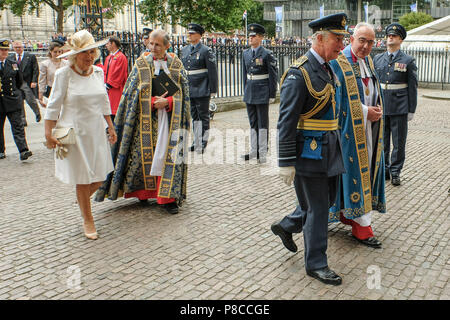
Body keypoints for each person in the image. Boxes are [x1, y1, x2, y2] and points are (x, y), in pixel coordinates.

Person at [270, 13, 347, 286]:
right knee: (317, 209)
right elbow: (286, 121)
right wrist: (285, 161)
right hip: (309, 153)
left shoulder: (327, 67)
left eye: (342, 39)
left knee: (324, 203)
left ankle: (287, 225)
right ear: (320, 38)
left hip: (329, 149)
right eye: (337, 39)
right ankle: (316, 264)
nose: (341, 44)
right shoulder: (298, 73)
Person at [94, 29, 190, 215]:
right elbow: (130, 95)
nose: (152, 47)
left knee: (166, 156)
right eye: (151, 43)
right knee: (144, 157)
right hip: (144, 121)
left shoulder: (177, 65)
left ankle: (167, 198)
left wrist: (169, 102)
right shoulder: (140, 65)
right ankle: (144, 192)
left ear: (167, 46)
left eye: (157, 45)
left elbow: (185, 96)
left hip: (170, 121)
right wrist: (151, 102)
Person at [43, 30, 117, 240]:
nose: (90, 56)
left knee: (101, 175)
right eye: (86, 52)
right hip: (73, 132)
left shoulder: (98, 72)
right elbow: (53, 106)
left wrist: (110, 126)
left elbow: (104, 101)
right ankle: (88, 219)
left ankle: (82, 198)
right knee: (83, 178)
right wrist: (48, 133)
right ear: (75, 55)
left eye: (92, 52)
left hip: (95, 130)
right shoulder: (63, 74)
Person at [328, 22, 386, 248]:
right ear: (352, 38)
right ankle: (362, 226)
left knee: (366, 171)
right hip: (348, 133)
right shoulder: (338, 62)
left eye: (371, 42)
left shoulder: (368, 61)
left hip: (368, 130)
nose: (366, 46)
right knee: (351, 174)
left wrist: (378, 109)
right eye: (362, 40)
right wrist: (365, 112)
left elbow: (372, 91)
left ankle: (351, 215)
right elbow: (337, 100)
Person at [374, 23, 418, 186]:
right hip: (382, 106)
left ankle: (395, 171)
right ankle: (384, 170)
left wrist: (411, 109)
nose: (390, 37)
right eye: (389, 36)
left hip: (399, 107)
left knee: (398, 142)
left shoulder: (408, 60)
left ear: (400, 40)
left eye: (394, 36)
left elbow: (412, 87)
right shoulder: (378, 58)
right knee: (382, 141)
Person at [241, 23, 278, 164]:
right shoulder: (245, 53)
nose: (250, 38)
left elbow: (273, 75)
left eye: (254, 36)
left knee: (262, 123)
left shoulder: (267, 54)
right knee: (253, 123)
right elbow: (244, 74)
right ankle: (253, 150)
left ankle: (262, 151)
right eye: (249, 36)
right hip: (250, 91)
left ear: (261, 38)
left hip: (262, 91)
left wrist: (272, 94)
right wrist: (245, 90)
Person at [181, 23, 218, 154]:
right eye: (189, 33)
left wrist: (213, 89)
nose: (189, 35)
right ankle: (195, 141)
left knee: (203, 116)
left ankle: (203, 142)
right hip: (189, 87)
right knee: (194, 116)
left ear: (199, 35)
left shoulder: (205, 51)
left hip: (202, 87)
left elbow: (212, 71)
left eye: (192, 33)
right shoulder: (184, 50)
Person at [0, 39, 33, 161]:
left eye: (6, 50)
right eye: (2, 50)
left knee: (18, 126)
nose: (4, 52)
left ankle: (23, 150)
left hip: (12, 100)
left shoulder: (12, 63)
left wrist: (17, 94)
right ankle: (0, 150)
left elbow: (19, 81)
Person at [10, 40, 41, 126]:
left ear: (23, 47)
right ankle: (23, 120)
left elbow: (35, 69)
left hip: (26, 82)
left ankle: (37, 112)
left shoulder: (30, 57)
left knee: (30, 100)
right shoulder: (11, 57)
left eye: (19, 47)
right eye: (16, 47)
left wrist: (34, 81)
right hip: (16, 83)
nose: (18, 49)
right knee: (19, 102)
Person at [103, 36, 128, 122]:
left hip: (116, 89)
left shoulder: (121, 57)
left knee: (116, 111)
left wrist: (108, 84)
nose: (106, 45)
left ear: (113, 44)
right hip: (108, 89)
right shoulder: (109, 58)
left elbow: (118, 74)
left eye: (108, 43)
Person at [38, 40, 70, 107]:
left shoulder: (67, 63)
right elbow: (42, 80)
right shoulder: (45, 64)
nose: (57, 54)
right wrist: (40, 95)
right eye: (55, 52)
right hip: (52, 90)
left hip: (65, 90)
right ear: (50, 52)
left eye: (59, 51)